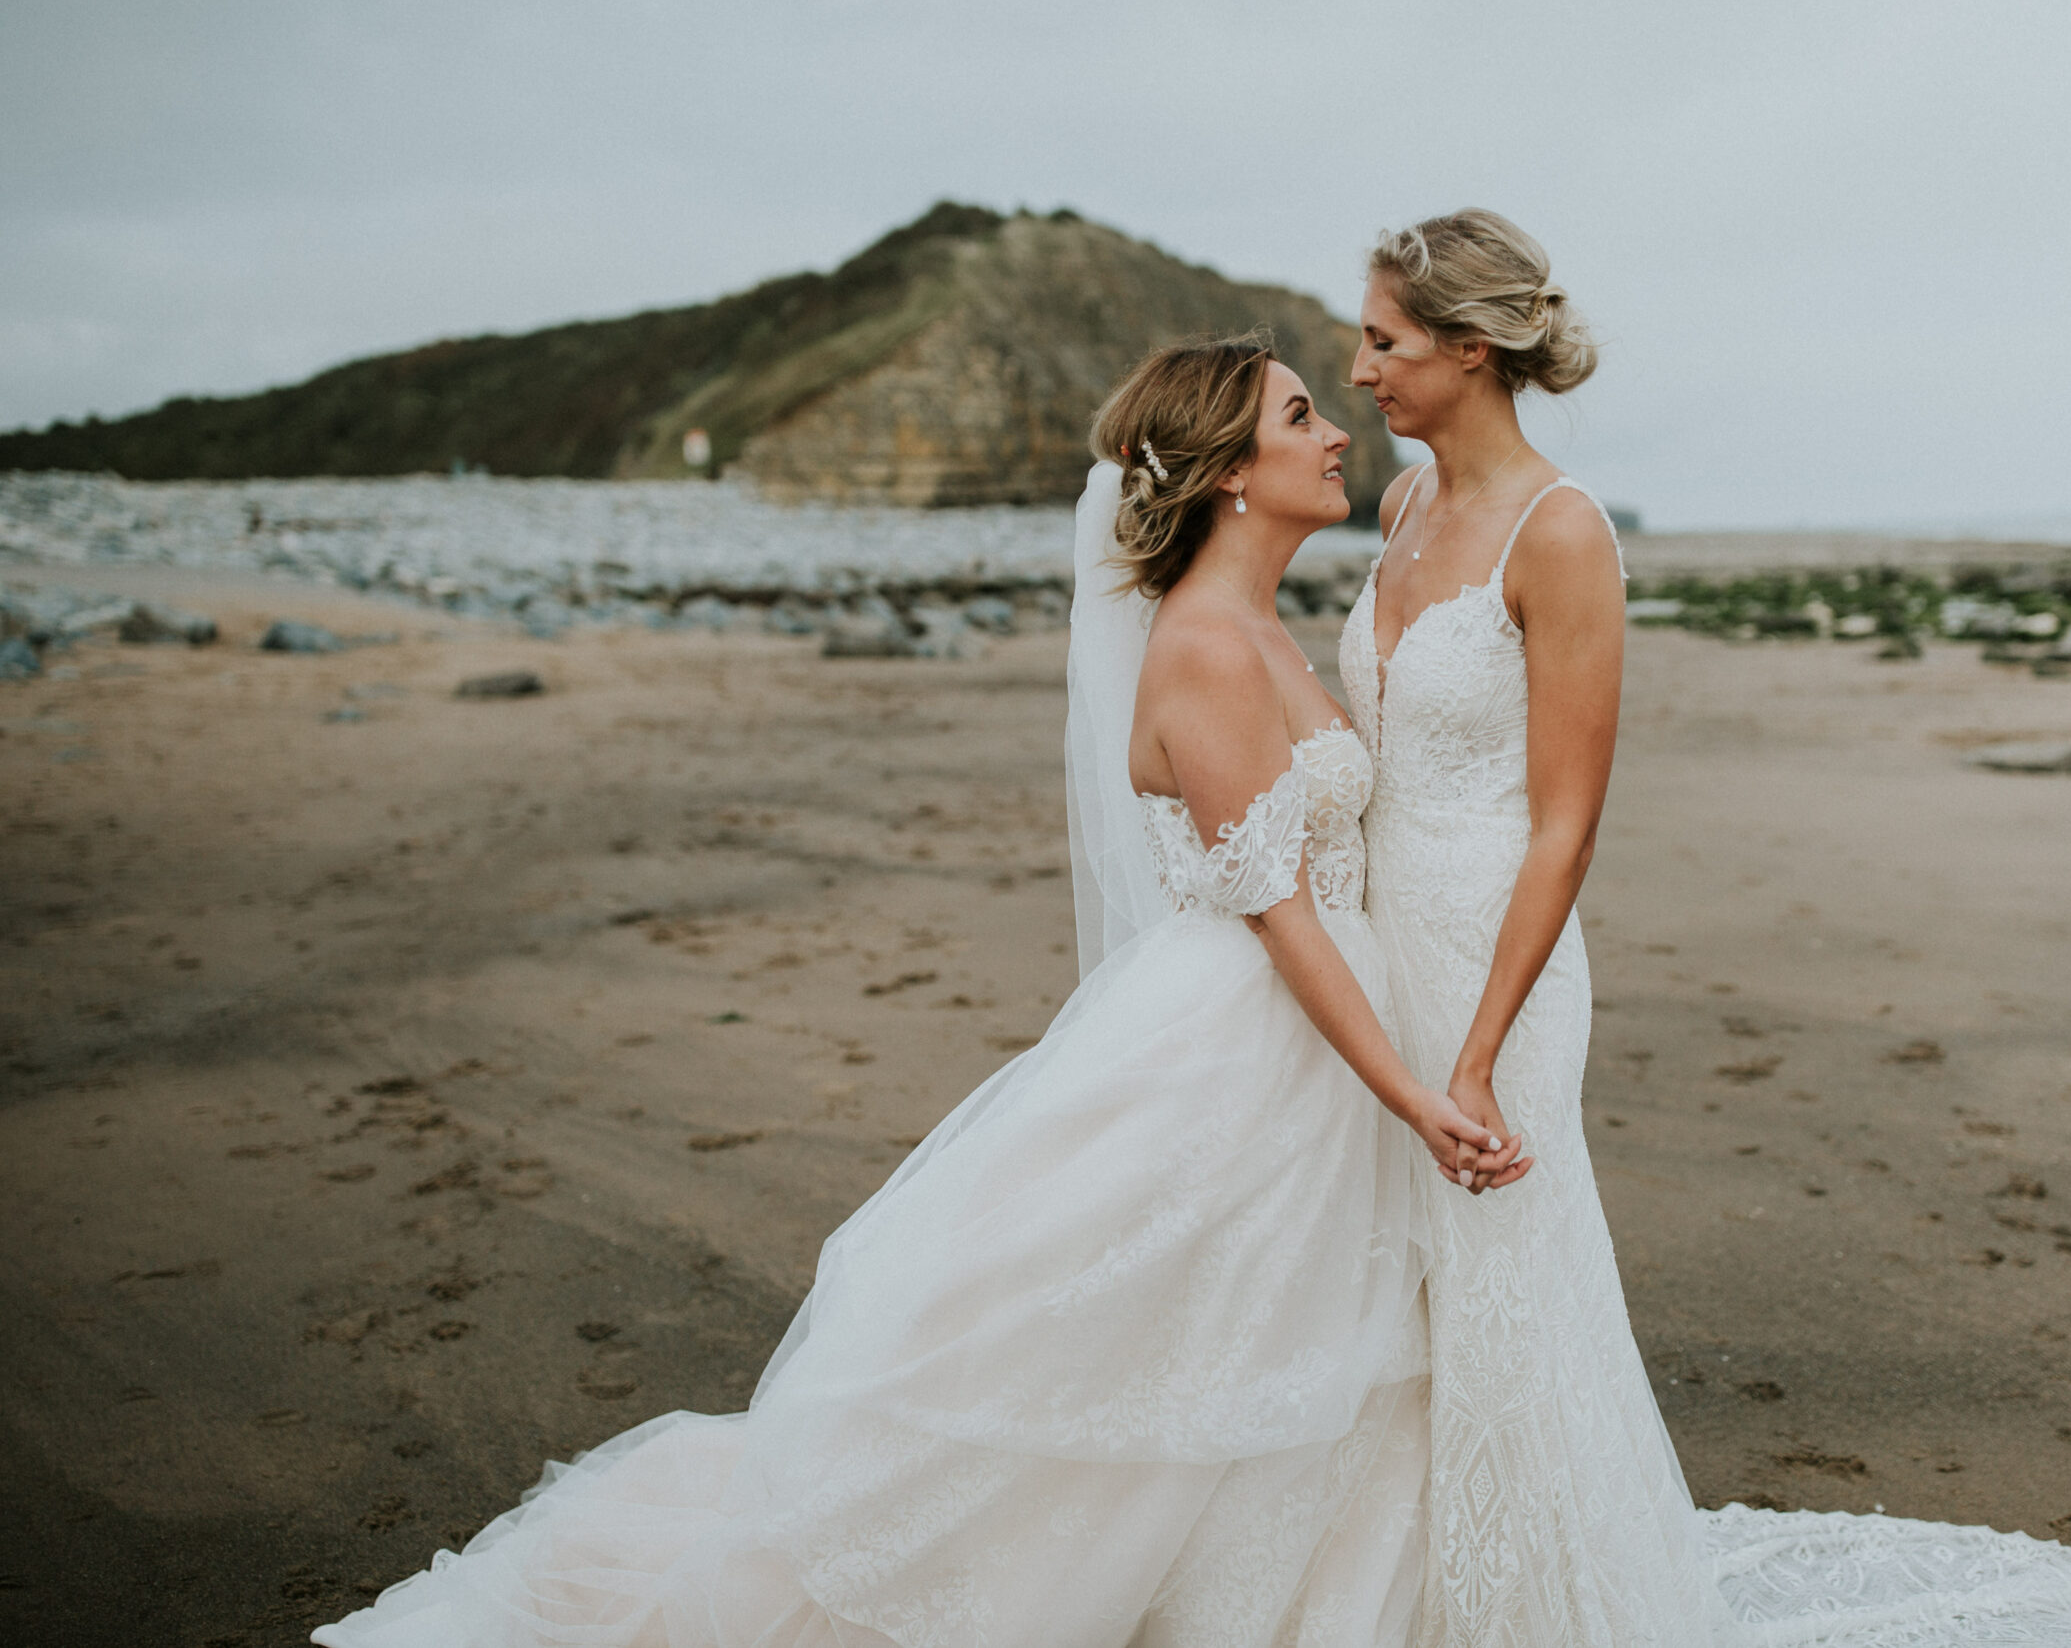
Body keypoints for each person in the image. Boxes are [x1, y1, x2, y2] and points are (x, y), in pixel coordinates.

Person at [311, 334, 1520, 1648]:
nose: (1335, 429)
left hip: (1307, 1041)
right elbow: (1279, 911)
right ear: (1232, 470)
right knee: (1166, 1358)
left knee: (1261, 1351)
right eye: (1299, 415)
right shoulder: (1212, 653)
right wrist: (1404, 1089)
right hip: (1255, 1041)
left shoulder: (1261, 626)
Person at [1341, 208, 2071, 1644]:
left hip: (1496, 964)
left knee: (1503, 1297)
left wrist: (1484, 1051)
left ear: (1471, 347)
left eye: (1383, 340)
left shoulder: (1560, 536)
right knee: (1394, 1286)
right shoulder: (1401, 510)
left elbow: (1564, 823)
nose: (1362, 368)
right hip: (1381, 947)